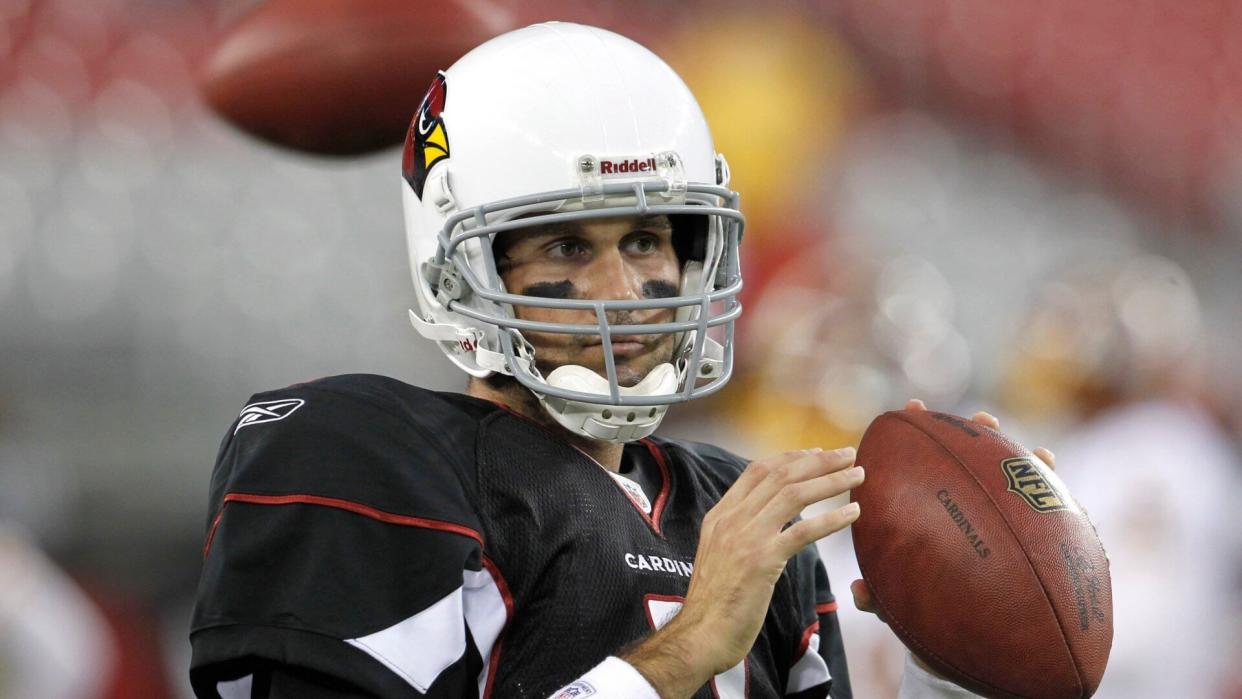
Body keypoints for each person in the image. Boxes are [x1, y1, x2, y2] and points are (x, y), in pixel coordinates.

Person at [189, 22, 1050, 699]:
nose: (625, 287)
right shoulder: (363, 459)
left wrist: (963, 663)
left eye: (646, 239)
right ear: (458, 270)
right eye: (567, 246)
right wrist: (675, 658)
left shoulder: (745, 509)